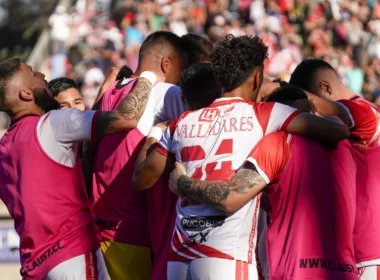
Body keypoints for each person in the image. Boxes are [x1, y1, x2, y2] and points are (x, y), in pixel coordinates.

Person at [133, 34, 349, 279]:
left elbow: (142, 179)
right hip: (226, 257)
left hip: (179, 258)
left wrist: (154, 134)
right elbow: (339, 128)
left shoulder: (181, 122)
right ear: (258, 77)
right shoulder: (265, 114)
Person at [168, 85, 358, 279]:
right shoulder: (347, 147)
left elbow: (230, 197)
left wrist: (182, 182)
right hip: (345, 269)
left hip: (295, 270)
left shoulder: (278, 142)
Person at [0, 58, 159, 279]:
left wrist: (103, 91)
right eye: (34, 74)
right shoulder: (53, 123)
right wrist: (149, 77)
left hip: (34, 267)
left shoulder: (5, 149)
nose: (43, 76)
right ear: (26, 94)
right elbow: (126, 118)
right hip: (72, 255)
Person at [91, 31, 187, 280]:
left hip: (100, 229)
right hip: (132, 230)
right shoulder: (166, 91)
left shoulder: (112, 90)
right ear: (167, 64)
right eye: (182, 69)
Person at [290, 59, 380, 278]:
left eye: (312, 108)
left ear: (326, 88)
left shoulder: (362, 112)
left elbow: (337, 111)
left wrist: (277, 94)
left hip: (369, 254)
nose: (315, 116)